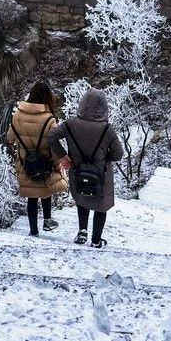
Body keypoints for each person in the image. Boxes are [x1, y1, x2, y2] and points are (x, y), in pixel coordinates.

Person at [48, 88, 123, 248]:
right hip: (101, 173)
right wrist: (104, 157)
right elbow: (118, 154)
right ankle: (96, 240)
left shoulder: (70, 124)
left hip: (78, 170)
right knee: (101, 205)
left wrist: (63, 156)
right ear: (104, 107)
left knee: (82, 198)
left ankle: (82, 232)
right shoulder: (106, 129)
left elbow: (52, 137)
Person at [7, 82, 68, 236]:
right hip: (44, 162)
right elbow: (53, 146)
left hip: (25, 162)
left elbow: (9, 138)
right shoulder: (49, 119)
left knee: (32, 195)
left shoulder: (17, 115)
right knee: (45, 187)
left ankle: (33, 230)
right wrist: (57, 165)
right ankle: (47, 220)